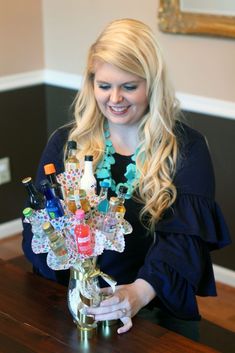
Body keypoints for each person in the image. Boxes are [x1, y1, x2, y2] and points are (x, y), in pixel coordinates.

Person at [22, 18, 231, 340]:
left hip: (153, 304)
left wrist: (138, 293)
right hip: (72, 301)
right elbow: (39, 225)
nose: (115, 99)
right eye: (104, 85)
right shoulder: (66, 143)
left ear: (152, 84)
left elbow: (183, 242)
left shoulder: (186, 148)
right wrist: (77, 284)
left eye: (129, 86)